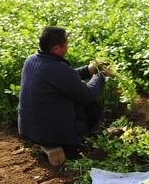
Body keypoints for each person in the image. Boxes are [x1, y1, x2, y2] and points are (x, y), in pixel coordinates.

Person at [18, 26, 109, 162]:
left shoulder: (31, 59)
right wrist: (101, 76)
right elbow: (87, 94)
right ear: (56, 49)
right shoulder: (57, 69)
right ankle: (81, 139)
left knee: (76, 94)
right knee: (89, 102)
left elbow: (66, 78)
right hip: (50, 134)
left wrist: (88, 70)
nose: (68, 46)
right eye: (66, 44)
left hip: (28, 128)